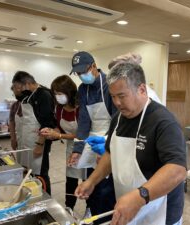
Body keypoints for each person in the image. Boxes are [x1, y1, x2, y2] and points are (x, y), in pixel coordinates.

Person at [76, 63, 187, 225]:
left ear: (141, 89)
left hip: (160, 212)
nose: (117, 103)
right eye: (113, 96)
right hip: (128, 203)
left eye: (122, 96)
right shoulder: (119, 119)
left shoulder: (163, 121)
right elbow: (110, 154)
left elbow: (177, 170)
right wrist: (92, 181)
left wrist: (140, 196)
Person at [69, 51, 116, 224]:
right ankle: (94, 216)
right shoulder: (83, 89)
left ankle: (107, 219)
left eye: (84, 71)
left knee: (106, 188)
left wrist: (107, 148)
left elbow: (117, 120)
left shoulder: (109, 85)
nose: (82, 76)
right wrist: (77, 149)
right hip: (92, 139)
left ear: (94, 66)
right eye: (78, 73)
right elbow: (84, 121)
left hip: (111, 138)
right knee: (90, 182)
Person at [40, 75, 85, 210]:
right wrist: (52, 132)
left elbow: (82, 133)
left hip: (85, 147)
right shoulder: (59, 108)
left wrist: (59, 135)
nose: (57, 96)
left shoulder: (81, 108)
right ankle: (69, 207)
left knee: (87, 180)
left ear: (69, 92)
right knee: (71, 179)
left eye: (60, 93)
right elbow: (60, 126)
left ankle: (90, 208)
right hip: (71, 147)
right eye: (55, 94)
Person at [12, 71, 56, 195]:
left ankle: (46, 201)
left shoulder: (44, 95)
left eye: (18, 87)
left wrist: (40, 145)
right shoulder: (29, 95)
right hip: (28, 142)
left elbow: (47, 123)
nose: (17, 90)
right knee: (30, 173)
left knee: (40, 174)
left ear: (26, 84)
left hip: (38, 143)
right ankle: (33, 196)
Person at [9, 85, 23, 150]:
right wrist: (13, 138)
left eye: (16, 93)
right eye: (14, 93)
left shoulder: (33, 104)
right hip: (19, 137)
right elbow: (11, 122)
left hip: (33, 138)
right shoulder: (15, 105)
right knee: (21, 158)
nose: (15, 95)